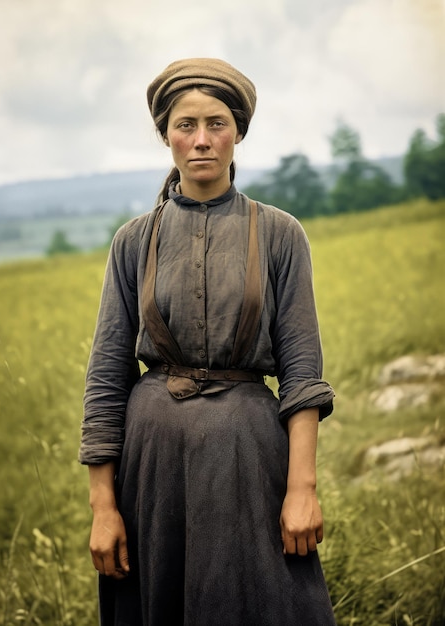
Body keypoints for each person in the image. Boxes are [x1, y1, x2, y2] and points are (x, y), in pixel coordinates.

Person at [80, 58, 336, 625]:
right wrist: (103, 506)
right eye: (185, 125)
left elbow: (301, 372)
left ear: (239, 131)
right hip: (152, 469)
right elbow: (105, 379)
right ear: (165, 135)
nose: (201, 141)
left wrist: (302, 489)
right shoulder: (133, 242)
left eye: (217, 124)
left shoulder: (279, 233)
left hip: (247, 458)